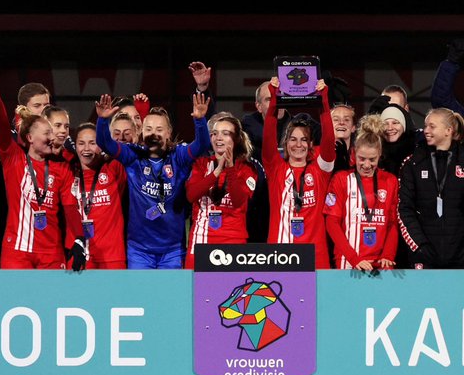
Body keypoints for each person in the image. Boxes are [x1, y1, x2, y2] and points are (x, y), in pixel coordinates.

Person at [95, 92, 212, 269]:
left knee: (168, 296)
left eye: (159, 130)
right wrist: (103, 120)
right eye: (149, 129)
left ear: (168, 132)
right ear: (142, 131)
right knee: (141, 296)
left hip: (172, 250)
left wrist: (200, 121)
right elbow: (105, 143)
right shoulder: (133, 156)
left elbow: (201, 146)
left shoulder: (179, 156)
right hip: (139, 250)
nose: (153, 134)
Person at [0, 95, 83, 270]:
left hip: (51, 252)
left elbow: (70, 208)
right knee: (16, 298)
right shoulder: (14, 160)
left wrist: (79, 239)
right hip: (17, 251)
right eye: (47, 133)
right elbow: (0, 125)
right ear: (30, 138)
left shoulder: (63, 169)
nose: (53, 137)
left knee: (51, 298)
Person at [397, 108, 464, 268]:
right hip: (423, 255)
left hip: (460, 255)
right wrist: (420, 245)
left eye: (432, 126)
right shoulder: (412, 164)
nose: (426, 131)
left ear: (448, 131)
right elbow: (405, 210)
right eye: (425, 126)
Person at [262, 77, 336, 268]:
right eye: (293, 139)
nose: (298, 145)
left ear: (311, 144)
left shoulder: (320, 170)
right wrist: (274, 100)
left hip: (315, 256)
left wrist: (324, 102)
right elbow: (269, 135)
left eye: (304, 140)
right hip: (281, 255)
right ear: (285, 143)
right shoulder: (276, 168)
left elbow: (328, 140)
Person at [324, 116, 399, 271]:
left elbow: (392, 224)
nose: (366, 165)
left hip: (382, 264)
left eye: (372, 159)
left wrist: (388, 255)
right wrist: (353, 258)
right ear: (354, 154)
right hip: (349, 263)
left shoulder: (390, 181)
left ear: (379, 155)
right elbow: (332, 223)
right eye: (361, 159)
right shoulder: (341, 179)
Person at [184, 112, 257, 267]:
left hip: (233, 242)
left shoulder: (247, 169)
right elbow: (191, 195)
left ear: (236, 139)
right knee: (198, 291)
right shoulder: (201, 164)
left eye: (225, 134)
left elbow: (239, 202)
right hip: (201, 241)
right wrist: (216, 171)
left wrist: (229, 168)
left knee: (232, 291)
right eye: (214, 134)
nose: (218, 138)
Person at [69, 123, 128, 269]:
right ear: (75, 146)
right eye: (81, 143)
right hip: (79, 254)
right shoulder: (68, 173)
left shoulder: (113, 169)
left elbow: (127, 148)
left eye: (93, 143)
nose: (86, 149)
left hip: (112, 257)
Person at [242, 80, 289, 157]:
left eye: (278, 97)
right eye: (269, 99)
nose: (276, 103)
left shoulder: (299, 123)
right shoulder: (249, 125)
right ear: (259, 106)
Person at [330, 103, 357, 172]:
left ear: (353, 127)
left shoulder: (360, 156)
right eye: (336, 119)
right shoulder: (317, 154)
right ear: (328, 125)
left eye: (346, 120)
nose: (341, 122)